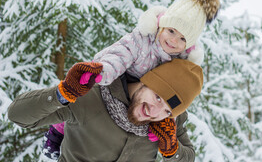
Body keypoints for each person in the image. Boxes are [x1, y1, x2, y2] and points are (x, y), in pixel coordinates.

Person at [41, 0, 220, 159]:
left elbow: (174, 99)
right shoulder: (141, 40)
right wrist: (105, 72)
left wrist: (165, 123)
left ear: (188, 46)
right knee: (86, 99)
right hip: (117, 77)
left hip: (145, 94)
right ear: (161, 25)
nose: (174, 41)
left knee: (150, 109)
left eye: (182, 39)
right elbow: (120, 55)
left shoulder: (180, 61)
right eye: (171, 31)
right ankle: (57, 132)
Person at [8, 59, 203, 162]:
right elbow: (18, 115)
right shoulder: (92, 96)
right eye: (158, 97)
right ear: (147, 80)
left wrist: (172, 150)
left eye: (168, 111)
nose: (155, 112)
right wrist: (62, 93)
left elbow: (187, 157)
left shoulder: (167, 124)